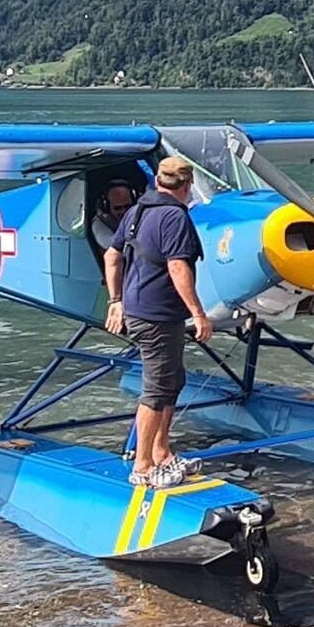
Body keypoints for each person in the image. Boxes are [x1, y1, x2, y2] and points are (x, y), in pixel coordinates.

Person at [115, 158, 210, 486]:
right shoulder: (174, 216)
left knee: (173, 380)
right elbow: (178, 268)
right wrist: (198, 312)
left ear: (158, 181)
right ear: (186, 186)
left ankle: (161, 453)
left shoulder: (137, 211)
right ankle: (142, 467)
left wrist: (115, 301)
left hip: (146, 312)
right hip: (157, 316)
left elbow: (112, 254)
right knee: (156, 390)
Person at [89, 172, 142, 328]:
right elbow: (114, 247)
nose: (124, 212)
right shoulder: (99, 224)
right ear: (107, 206)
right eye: (118, 208)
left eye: (128, 206)